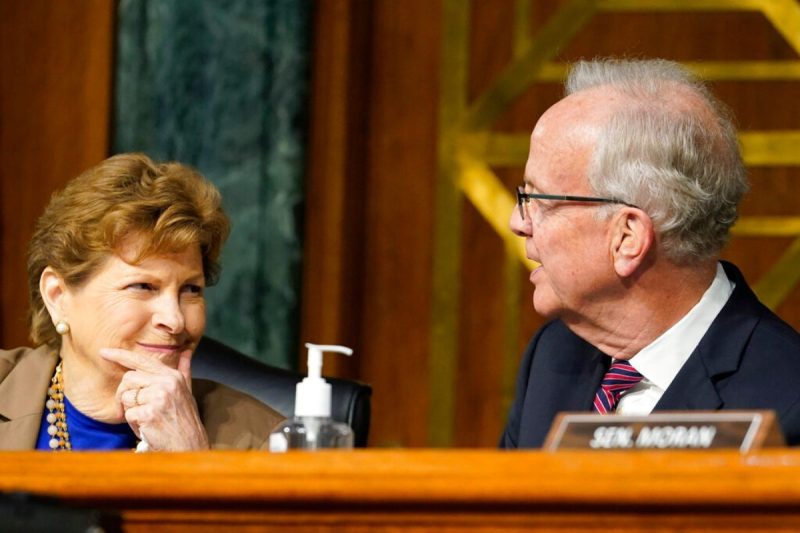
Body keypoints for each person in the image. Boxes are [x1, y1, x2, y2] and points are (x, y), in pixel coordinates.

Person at [500, 58, 800, 448]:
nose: (517, 221)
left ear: (627, 237)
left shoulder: (787, 402)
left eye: (537, 199)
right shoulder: (552, 356)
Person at [0, 153, 283, 450]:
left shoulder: (267, 442)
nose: (175, 320)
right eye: (143, 286)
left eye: (191, 289)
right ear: (57, 296)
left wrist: (189, 460)